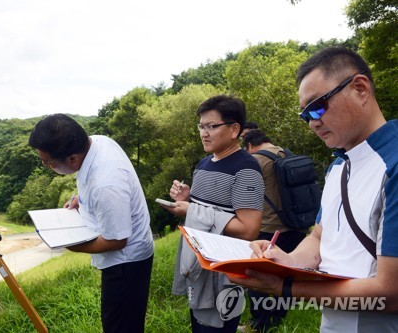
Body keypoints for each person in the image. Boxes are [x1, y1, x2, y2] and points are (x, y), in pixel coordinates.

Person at [226, 47, 398, 331]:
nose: (312, 123)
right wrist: (285, 260)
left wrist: (287, 287)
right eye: (305, 115)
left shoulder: (393, 165)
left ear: (360, 88)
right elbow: (320, 236)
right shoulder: (338, 168)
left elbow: (391, 293)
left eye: (317, 106)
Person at [28, 114, 154, 333]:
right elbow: (94, 187)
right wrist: (81, 198)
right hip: (124, 254)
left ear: (73, 159)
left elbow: (116, 241)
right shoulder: (96, 143)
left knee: (121, 326)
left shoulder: (106, 184)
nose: (46, 165)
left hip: (126, 264)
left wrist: (71, 245)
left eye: (48, 163)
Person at [162, 95, 265, 332]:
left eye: (211, 126)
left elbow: (249, 229)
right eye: (201, 126)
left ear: (234, 129)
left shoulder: (246, 168)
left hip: (224, 272)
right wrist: (186, 199)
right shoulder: (204, 164)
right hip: (199, 265)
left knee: (217, 327)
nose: (203, 133)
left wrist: (193, 210)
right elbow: (205, 210)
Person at [242, 129, 308, 332]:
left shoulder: (256, 162)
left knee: (256, 277)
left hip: (270, 229)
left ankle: (259, 323)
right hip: (298, 226)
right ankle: (278, 317)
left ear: (250, 146)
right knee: (286, 275)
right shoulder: (288, 154)